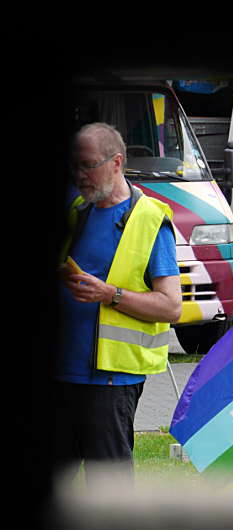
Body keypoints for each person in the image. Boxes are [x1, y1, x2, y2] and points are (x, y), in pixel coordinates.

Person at [54, 122, 182, 486]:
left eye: (89, 165)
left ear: (116, 162)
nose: (81, 175)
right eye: (75, 166)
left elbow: (171, 307)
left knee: (108, 490)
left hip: (109, 383)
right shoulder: (77, 209)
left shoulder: (149, 220)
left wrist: (110, 295)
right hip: (61, 376)